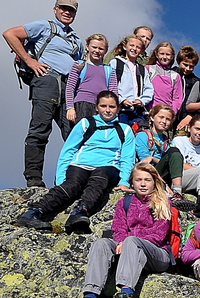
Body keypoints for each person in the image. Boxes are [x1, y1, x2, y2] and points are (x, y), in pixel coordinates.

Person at [17, 91, 134, 234]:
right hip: (80, 164)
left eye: (112, 106)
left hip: (109, 167)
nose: (108, 110)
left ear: (118, 108)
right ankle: (34, 212)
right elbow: (68, 150)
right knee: (71, 185)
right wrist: (61, 178)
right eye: (103, 106)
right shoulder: (85, 123)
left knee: (100, 177)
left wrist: (124, 182)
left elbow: (127, 158)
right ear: (96, 107)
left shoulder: (125, 130)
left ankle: (80, 212)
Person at [75, 164, 175, 298]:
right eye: (138, 180)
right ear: (132, 182)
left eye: (147, 180)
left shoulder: (163, 202)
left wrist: (128, 241)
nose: (143, 184)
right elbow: (118, 229)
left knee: (131, 241)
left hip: (157, 254)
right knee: (101, 243)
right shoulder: (124, 202)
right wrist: (122, 242)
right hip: (130, 249)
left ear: (154, 182)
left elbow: (158, 235)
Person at [4, 0, 84, 187]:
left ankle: (68, 180)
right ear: (55, 9)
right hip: (47, 81)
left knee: (73, 133)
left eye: (71, 10)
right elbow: (9, 34)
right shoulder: (44, 26)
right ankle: (33, 178)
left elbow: (80, 66)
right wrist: (30, 62)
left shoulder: (77, 41)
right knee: (40, 129)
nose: (67, 12)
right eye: (63, 8)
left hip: (69, 87)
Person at [64, 34, 119, 125]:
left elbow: (114, 92)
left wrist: (115, 109)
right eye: (94, 47)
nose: (97, 51)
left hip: (102, 107)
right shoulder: (79, 65)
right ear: (88, 47)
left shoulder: (109, 70)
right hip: (82, 105)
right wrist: (70, 108)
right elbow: (70, 87)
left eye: (100, 49)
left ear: (105, 50)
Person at [166, 115, 200, 201]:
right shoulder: (179, 141)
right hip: (179, 178)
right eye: (197, 129)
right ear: (189, 128)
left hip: (195, 181)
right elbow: (180, 165)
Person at [109, 35, 152, 125]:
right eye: (132, 45)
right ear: (125, 46)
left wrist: (141, 101)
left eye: (138, 47)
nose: (134, 49)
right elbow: (110, 84)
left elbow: (149, 88)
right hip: (120, 110)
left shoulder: (142, 69)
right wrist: (121, 100)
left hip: (137, 111)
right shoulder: (116, 63)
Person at [146, 42, 184, 118]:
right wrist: (149, 108)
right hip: (149, 111)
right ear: (157, 54)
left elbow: (177, 98)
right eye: (162, 54)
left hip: (166, 115)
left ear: (172, 56)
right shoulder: (149, 69)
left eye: (168, 54)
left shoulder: (175, 76)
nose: (164, 57)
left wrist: (171, 113)